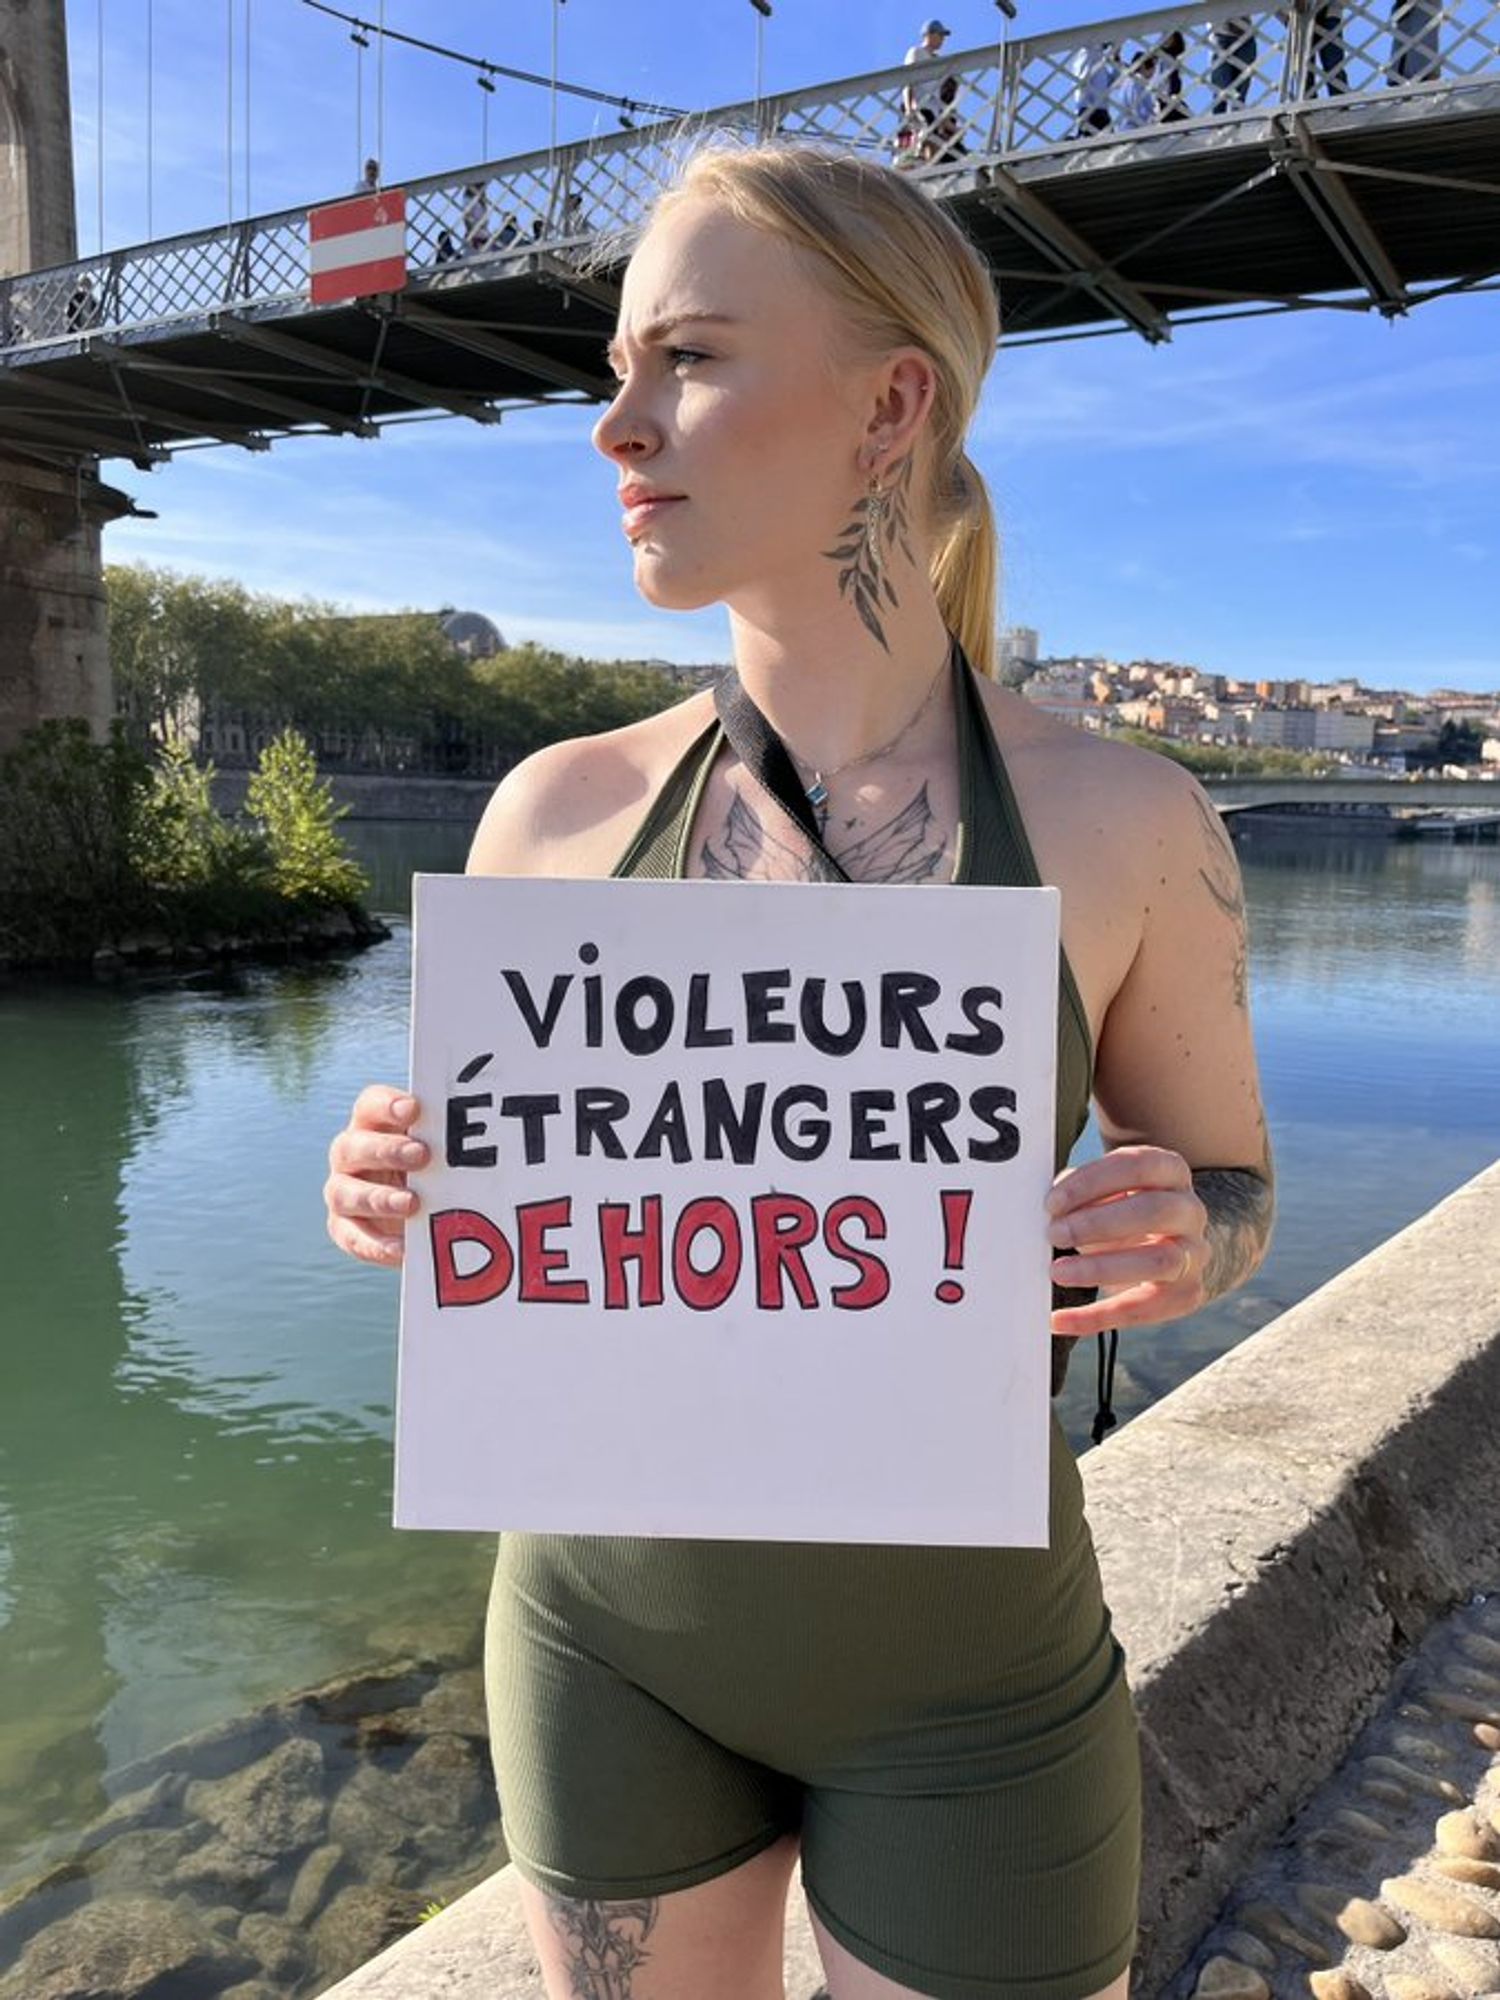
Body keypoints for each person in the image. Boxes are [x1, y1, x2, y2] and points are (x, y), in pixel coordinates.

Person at [324, 141, 1274, 2000]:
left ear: (889, 404)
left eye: (684, 358)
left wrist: (1186, 1238)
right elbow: (514, 1221)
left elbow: (1232, 1183)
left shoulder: (1127, 820)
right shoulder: (552, 810)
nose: (613, 428)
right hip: (599, 1645)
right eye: (619, 366)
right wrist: (391, 1192)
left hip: (970, 1684)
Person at [902, 18, 956, 160]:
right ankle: (925, 165)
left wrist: (946, 119)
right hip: (921, 105)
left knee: (941, 143)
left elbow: (938, 94)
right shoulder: (916, 52)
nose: (943, 40)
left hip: (933, 108)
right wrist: (909, 107)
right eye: (940, 35)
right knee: (929, 140)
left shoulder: (937, 60)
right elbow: (908, 80)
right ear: (930, 34)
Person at [1070, 40, 1118, 135]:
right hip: (1089, 109)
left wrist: (1116, 58)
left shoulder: (1099, 57)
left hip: (1101, 110)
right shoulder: (1087, 52)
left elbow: (1113, 83)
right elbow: (1082, 81)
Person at [1210, 17, 1257, 111]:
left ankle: (1236, 122)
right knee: (1221, 86)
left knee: (1241, 88)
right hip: (1221, 33)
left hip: (1245, 34)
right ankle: (1219, 123)